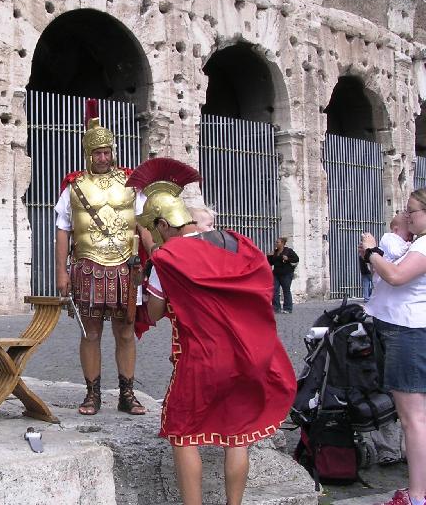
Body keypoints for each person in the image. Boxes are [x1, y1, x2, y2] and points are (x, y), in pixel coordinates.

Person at [127, 157, 296, 505]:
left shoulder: (167, 259)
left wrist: (144, 278)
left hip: (200, 358)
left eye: (155, 230)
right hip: (246, 353)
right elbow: (261, 285)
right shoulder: (234, 241)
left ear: (163, 224)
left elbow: (154, 313)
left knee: (183, 435)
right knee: (237, 438)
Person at [54, 99, 146, 416]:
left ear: (113, 151)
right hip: (87, 267)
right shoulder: (74, 187)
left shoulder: (132, 184)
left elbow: (144, 225)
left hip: (125, 268)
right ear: (88, 154)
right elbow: (63, 230)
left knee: (125, 332)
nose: (103, 158)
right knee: (90, 332)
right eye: (97, 153)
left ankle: (127, 394)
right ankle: (92, 394)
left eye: (106, 152)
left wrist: (160, 258)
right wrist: (61, 273)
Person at [359, 188, 426, 505]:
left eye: (412, 211)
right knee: (416, 417)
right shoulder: (415, 243)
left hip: (408, 332)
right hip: (406, 330)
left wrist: (372, 251)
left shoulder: (424, 245)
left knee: (413, 418)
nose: (407, 216)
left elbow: (396, 276)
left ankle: (417, 496)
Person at [267, 237, 299, 313]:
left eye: (277, 242)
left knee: (286, 290)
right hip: (276, 274)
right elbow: (270, 263)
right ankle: (276, 308)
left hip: (286, 274)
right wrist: (269, 256)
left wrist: (287, 259)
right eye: (276, 242)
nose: (276, 243)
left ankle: (287, 308)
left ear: (282, 243)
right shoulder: (275, 252)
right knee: (274, 290)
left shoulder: (288, 251)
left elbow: (296, 259)